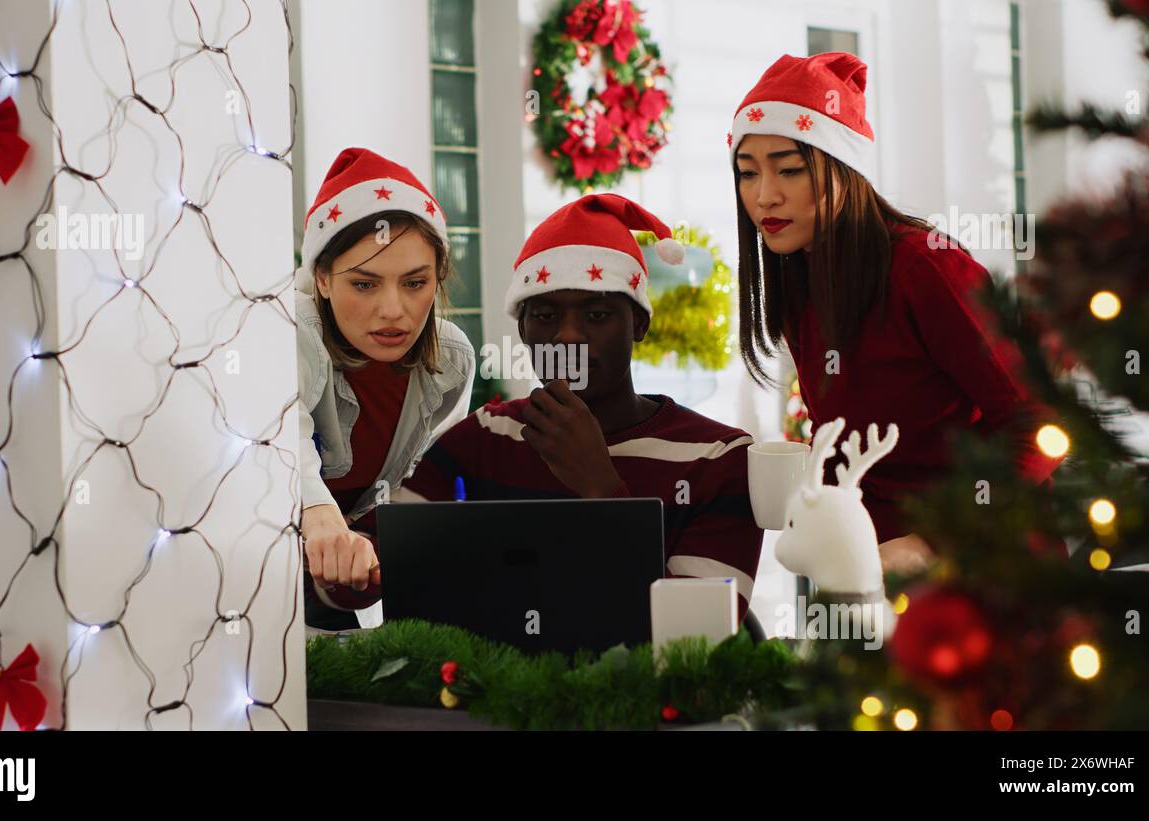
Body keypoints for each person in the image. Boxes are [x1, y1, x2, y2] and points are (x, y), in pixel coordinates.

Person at [319, 194, 765, 621]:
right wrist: (343, 557)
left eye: (597, 315)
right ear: (524, 329)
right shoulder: (486, 436)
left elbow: (700, 631)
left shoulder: (717, 457)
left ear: (640, 323)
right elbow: (368, 563)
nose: (568, 337)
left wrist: (601, 490)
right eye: (547, 316)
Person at [728, 52, 1062, 570]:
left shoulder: (927, 268)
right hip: (872, 576)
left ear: (844, 167)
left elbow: (1040, 423)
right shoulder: (798, 276)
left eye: (790, 170)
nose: (764, 196)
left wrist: (931, 543)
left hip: (989, 567)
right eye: (747, 174)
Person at [295, 147, 475, 629]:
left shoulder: (451, 363)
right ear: (322, 279)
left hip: (337, 590)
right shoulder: (288, 328)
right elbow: (278, 445)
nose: (394, 310)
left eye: (415, 283)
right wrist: (321, 519)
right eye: (365, 285)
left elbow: (408, 497)